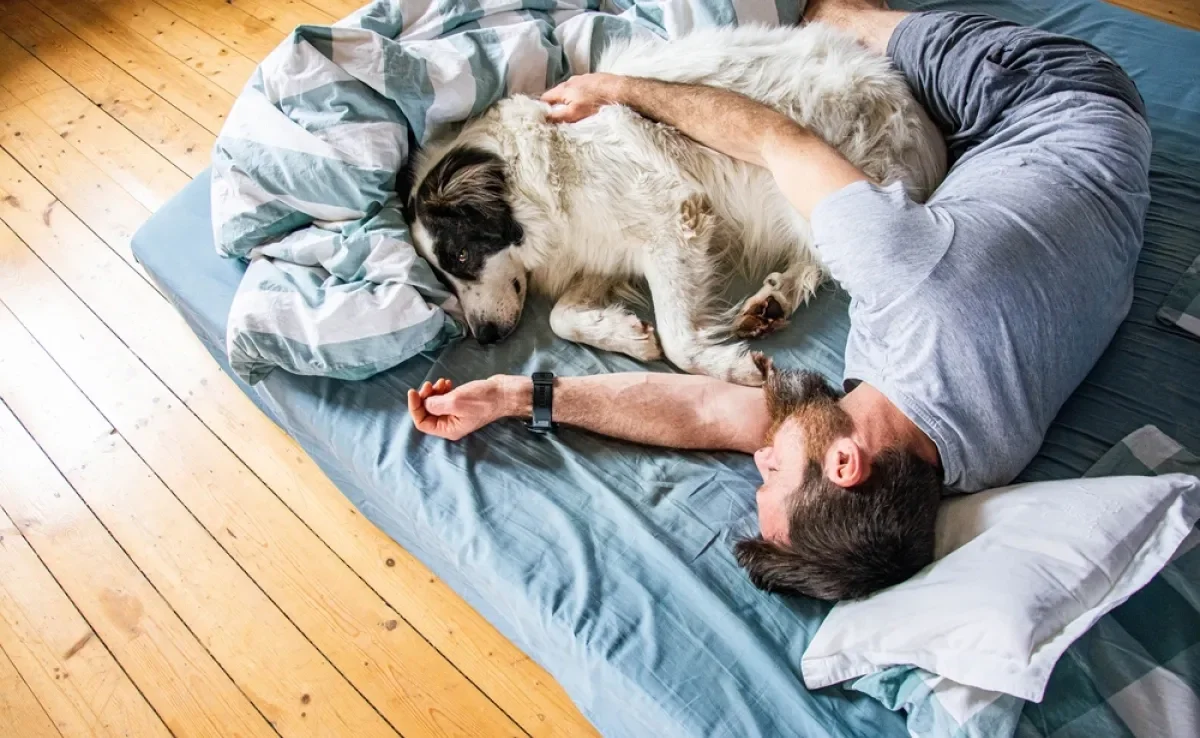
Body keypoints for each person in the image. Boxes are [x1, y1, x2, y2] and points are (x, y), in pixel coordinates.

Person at [407, 0, 1152, 600]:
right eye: (771, 473)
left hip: (1054, 199)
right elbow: (773, 134)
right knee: (837, 16)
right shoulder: (907, 280)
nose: (758, 455)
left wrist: (515, 396)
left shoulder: (953, 464)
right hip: (1050, 94)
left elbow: (706, 411)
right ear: (847, 466)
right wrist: (616, 89)